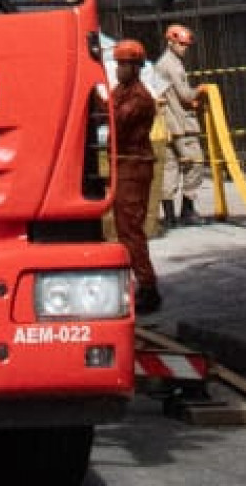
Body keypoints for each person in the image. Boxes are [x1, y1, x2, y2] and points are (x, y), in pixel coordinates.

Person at [108, 39, 161, 314]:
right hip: (124, 164)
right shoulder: (122, 90)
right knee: (123, 226)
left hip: (134, 165)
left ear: (136, 67)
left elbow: (116, 121)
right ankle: (137, 282)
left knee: (131, 228)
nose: (119, 70)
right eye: (118, 64)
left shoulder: (139, 97)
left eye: (124, 65)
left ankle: (147, 285)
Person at [153, 20, 207, 227]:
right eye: (181, 45)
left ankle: (168, 216)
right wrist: (200, 91)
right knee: (195, 163)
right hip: (182, 124)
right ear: (171, 42)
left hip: (166, 123)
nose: (184, 49)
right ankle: (187, 210)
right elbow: (185, 95)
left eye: (186, 45)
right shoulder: (172, 65)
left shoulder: (160, 64)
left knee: (170, 166)